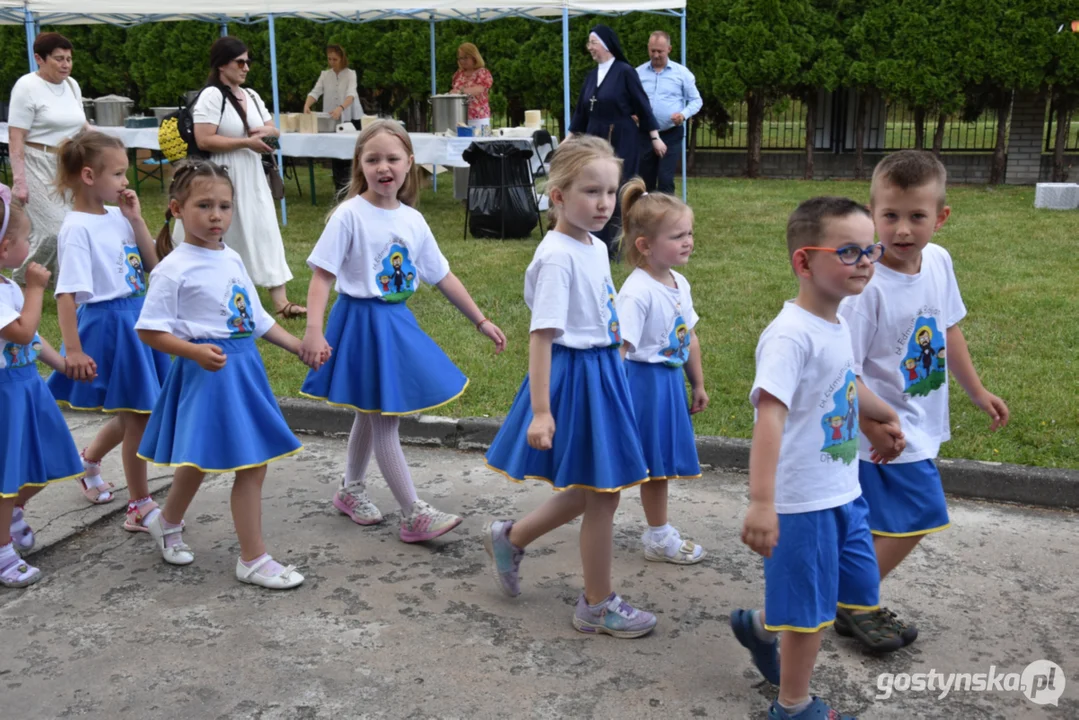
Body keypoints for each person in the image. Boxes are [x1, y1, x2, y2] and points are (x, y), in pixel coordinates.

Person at [731, 197, 906, 720]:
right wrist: (762, 504)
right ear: (804, 262)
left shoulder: (835, 324)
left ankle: (761, 625)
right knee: (810, 617)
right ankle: (793, 707)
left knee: (848, 590)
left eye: (869, 248)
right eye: (848, 251)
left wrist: (881, 417)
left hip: (843, 492)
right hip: (801, 503)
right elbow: (770, 420)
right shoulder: (789, 336)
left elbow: (846, 382)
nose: (866, 261)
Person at [299, 120, 506, 543]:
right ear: (360, 164)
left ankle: (350, 490)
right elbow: (322, 277)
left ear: (410, 163)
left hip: (393, 324)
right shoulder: (348, 215)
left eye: (392, 158)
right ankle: (414, 512)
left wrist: (480, 319)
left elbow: (442, 275)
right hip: (359, 325)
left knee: (369, 411)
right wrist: (314, 330)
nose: (383, 167)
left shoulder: (413, 220)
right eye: (372, 159)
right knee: (384, 417)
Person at [483, 136, 656, 638]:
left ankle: (511, 537)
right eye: (590, 192)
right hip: (575, 379)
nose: (604, 204)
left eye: (610, 191)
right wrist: (541, 411)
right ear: (557, 196)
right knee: (602, 493)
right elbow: (543, 337)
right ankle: (597, 603)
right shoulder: (558, 256)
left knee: (592, 489)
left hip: (602, 373)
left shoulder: (593, 245)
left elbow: (602, 315)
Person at [836, 150, 1010, 648]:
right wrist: (871, 424)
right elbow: (842, 369)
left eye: (917, 216)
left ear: (941, 217)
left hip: (918, 420)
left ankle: (842, 594)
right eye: (889, 216)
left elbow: (946, 327)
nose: (903, 230)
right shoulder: (865, 286)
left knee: (874, 522)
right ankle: (852, 599)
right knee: (920, 515)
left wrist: (976, 390)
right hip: (887, 429)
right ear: (871, 215)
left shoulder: (938, 261)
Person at [135, 160, 325, 590]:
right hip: (207, 374)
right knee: (252, 465)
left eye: (225, 205)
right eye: (204, 205)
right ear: (177, 209)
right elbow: (149, 330)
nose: (216, 215)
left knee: (200, 460)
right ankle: (253, 559)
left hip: (243, 370)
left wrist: (297, 347)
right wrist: (194, 351)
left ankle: (166, 522)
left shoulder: (232, 257)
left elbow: (254, 318)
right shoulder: (173, 268)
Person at [45, 131, 171, 523]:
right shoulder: (77, 228)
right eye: (117, 174)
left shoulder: (119, 216)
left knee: (134, 409)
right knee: (138, 414)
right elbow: (66, 295)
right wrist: (73, 350)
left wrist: (135, 220)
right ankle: (139, 503)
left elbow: (154, 266)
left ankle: (90, 460)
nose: (125, 182)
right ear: (87, 175)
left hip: (137, 319)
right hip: (108, 325)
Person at [177, 36, 306, 320]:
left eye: (248, 61)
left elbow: (273, 129)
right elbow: (204, 138)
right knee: (223, 230)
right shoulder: (212, 96)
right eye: (240, 62)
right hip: (220, 172)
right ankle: (212, 294)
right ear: (222, 65)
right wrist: (245, 143)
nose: (246, 67)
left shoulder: (252, 96)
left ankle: (281, 302)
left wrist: (264, 135)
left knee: (263, 228)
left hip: (251, 173)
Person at [615, 178, 707, 565]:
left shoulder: (677, 281)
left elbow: (689, 335)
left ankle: (657, 531)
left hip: (668, 384)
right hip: (642, 388)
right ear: (645, 245)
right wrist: (613, 402)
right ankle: (657, 536)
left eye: (688, 233)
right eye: (677, 236)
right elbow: (619, 351)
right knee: (649, 468)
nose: (687, 241)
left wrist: (697, 382)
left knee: (660, 467)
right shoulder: (637, 293)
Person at [0, 182, 84, 588]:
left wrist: (62, 365)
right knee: (6, 475)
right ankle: (1, 553)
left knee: (45, 462)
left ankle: (13, 513)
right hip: (5, 395)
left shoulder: (7, 288)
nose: (31, 245)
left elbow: (33, 340)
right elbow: (21, 330)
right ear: (4, 247)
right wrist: (35, 289)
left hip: (27, 387)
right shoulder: (12, 291)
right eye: (27, 238)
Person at [568, 25, 664, 254]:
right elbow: (582, 112)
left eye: (593, 42)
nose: (589, 47)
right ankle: (594, 239)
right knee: (594, 186)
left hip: (621, 137)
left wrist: (655, 137)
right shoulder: (592, 76)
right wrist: (569, 139)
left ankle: (616, 244)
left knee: (619, 188)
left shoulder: (624, 71)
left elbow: (642, 106)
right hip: (594, 137)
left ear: (606, 44)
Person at [6, 32, 89, 285]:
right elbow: (16, 137)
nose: (66, 65)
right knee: (53, 231)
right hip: (35, 162)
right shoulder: (26, 87)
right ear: (39, 59)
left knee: (73, 226)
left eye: (69, 59)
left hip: (67, 163)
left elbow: (82, 125)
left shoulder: (72, 85)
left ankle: (65, 283)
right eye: (59, 59)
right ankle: (22, 278)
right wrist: (19, 181)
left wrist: (108, 143)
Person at [636, 31, 702, 195]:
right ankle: (646, 216)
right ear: (648, 49)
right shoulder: (638, 73)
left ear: (669, 49)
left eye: (660, 51)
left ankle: (667, 217)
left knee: (665, 178)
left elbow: (696, 100)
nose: (656, 55)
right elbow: (629, 99)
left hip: (670, 133)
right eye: (653, 51)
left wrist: (683, 114)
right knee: (645, 180)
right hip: (645, 134)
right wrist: (633, 113)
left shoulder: (681, 73)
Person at [304, 44, 362, 194]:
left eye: (335, 59)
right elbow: (316, 92)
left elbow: (351, 94)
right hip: (332, 120)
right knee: (336, 152)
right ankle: (339, 187)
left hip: (350, 118)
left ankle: (352, 187)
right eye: (329, 59)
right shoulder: (325, 75)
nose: (332, 62)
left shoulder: (351, 74)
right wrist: (307, 105)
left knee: (351, 154)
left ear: (342, 58)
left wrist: (341, 108)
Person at [450, 43, 494, 132]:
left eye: (465, 57)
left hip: (480, 119)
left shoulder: (483, 73)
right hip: (460, 119)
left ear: (474, 57)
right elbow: (454, 90)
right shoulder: (458, 74)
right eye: (460, 58)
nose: (462, 61)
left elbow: (480, 89)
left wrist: (460, 91)